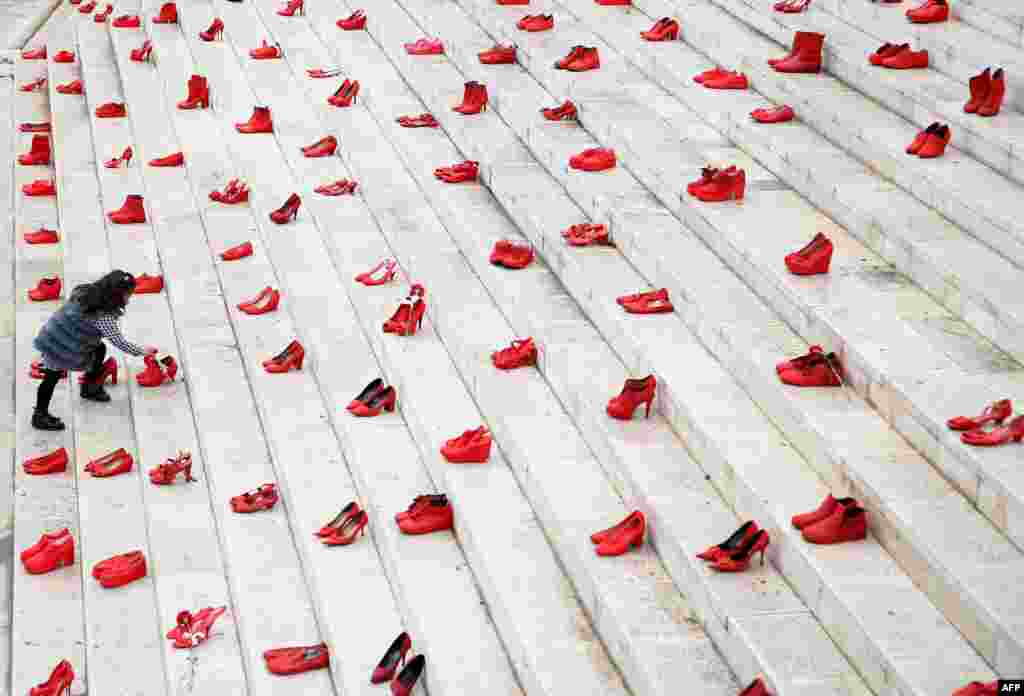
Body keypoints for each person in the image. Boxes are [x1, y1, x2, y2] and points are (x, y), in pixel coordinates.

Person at [31, 270, 158, 431]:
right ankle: (40, 415)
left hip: (55, 334)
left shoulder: (85, 291)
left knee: (99, 348)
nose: (129, 299)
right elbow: (120, 342)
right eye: (128, 295)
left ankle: (90, 386)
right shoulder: (103, 316)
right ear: (116, 295)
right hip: (61, 346)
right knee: (51, 377)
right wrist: (143, 351)